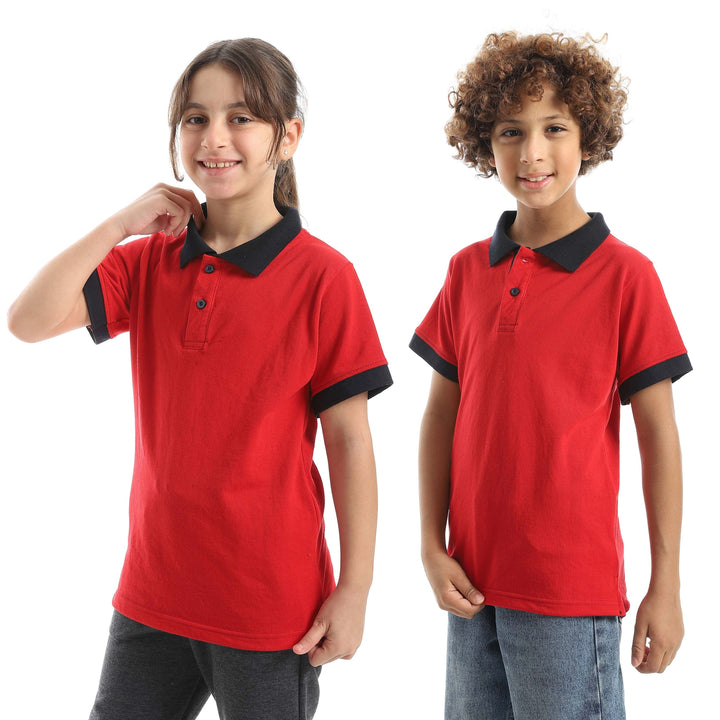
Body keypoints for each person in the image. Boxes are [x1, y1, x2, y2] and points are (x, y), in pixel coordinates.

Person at [8, 38, 391, 720]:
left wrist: (355, 590)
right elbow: (26, 322)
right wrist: (119, 225)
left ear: (287, 136)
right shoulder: (148, 263)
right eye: (195, 118)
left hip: (267, 606)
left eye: (240, 117)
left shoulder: (324, 278)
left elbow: (350, 443)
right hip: (153, 592)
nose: (214, 138)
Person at [410, 32, 690, 720]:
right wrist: (430, 545)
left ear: (587, 136)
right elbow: (440, 416)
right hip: (471, 587)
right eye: (511, 131)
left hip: (569, 592)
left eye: (554, 128)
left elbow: (659, 437)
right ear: (486, 144)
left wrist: (666, 585)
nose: (532, 153)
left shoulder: (626, 276)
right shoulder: (466, 271)